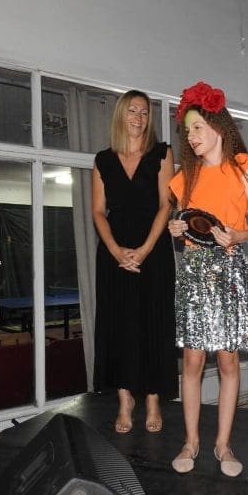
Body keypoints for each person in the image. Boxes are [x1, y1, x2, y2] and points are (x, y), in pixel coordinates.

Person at [167, 81, 248, 477]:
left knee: (228, 361)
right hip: (194, 272)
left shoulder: (243, 167)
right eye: (187, 131)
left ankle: (223, 444)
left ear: (217, 126)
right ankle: (191, 441)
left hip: (228, 272)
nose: (191, 137)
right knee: (192, 361)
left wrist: (238, 235)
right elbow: (183, 223)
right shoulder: (185, 178)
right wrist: (175, 228)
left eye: (197, 127)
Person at [92, 90, 178, 434]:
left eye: (144, 112)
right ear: (120, 115)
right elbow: (98, 211)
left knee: (152, 323)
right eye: (132, 110)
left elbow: (166, 205)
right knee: (119, 325)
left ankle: (153, 400)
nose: (139, 117)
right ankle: (125, 399)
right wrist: (116, 250)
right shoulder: (103, 159)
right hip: (113, 253)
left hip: (153, 251)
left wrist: (143, 251)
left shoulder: (162, 153)